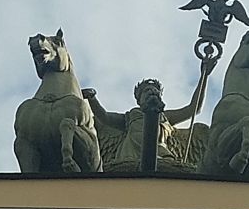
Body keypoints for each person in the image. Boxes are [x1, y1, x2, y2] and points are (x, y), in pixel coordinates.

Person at [81, 57, 217, 171]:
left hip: (161, 154)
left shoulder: (165, 117)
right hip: (130, 156)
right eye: (146, 91)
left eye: (155, 92)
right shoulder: (130, 116)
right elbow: (104, 117)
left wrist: (204, 76)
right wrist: (92, 98)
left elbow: (194, 109)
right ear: (139, 100)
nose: (151, 93)